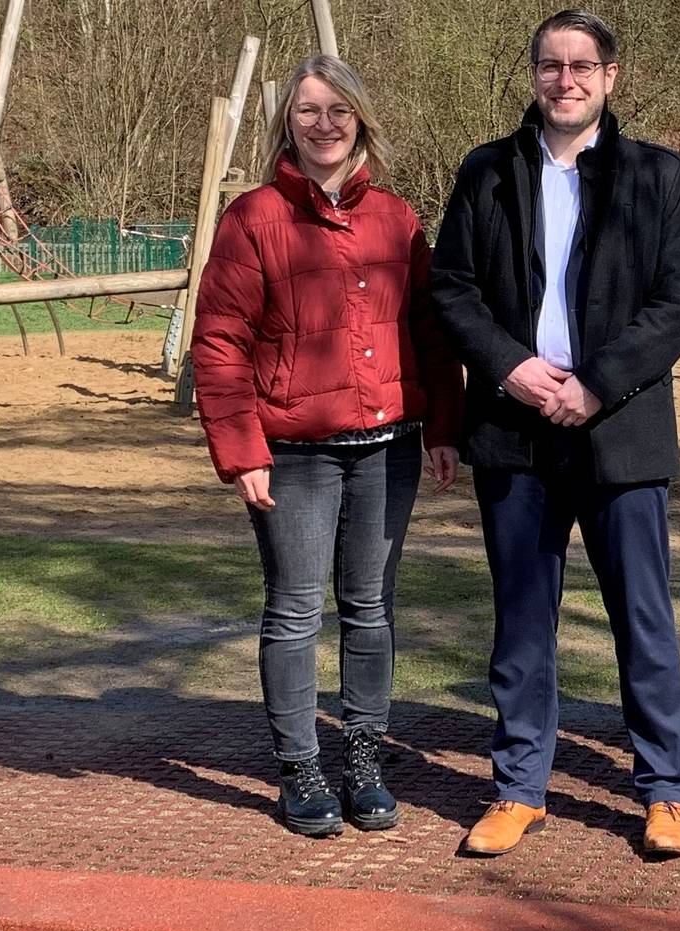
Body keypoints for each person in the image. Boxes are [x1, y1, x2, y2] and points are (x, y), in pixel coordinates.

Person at [429, 10, 680, 858]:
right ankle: (518, 788)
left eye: (582, 66)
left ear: (610, 77)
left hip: (619, 430)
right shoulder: (487, 172)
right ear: (534, 75)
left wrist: (596, 382)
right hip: (514, 432)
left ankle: (666, 793)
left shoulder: (658, 176)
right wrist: (511, 367)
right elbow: (451, 290)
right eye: (551, 66)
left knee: (644, 619)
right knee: (521, 620)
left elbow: (679, 301)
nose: (566, 80)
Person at [190, 54, 462, 839]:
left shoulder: (398, 219)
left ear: (360, 120)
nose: (324, 123)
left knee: (371, 609)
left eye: (338, 109)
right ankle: (300, 765)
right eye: (308, 110)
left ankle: (365, 756)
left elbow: (432, 334)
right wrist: (241, 448)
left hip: (388, 445)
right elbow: (218, 342)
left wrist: (445, 426)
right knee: (296, 609)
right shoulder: (254, 218)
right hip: (296, 450)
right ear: (288, 123)